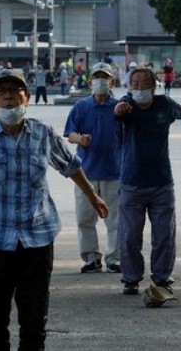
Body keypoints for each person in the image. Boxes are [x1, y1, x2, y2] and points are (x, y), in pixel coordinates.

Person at [0, 68, 108, 351]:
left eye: (15, 93)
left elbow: (70, 165)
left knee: (34, 326)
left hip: (37, 240)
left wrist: (92, 196)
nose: (9, 99)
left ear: (26, 97)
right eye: (2, 94)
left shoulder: (42, 133)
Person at [114, 68, 181, 298]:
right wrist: (119, 109)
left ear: (154, 86)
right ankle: (131, 278)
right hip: (132, 183)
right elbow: (117, 111)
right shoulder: (126, 104)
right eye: (135, 84)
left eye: (144, 83)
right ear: (130, 87)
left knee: (164, 236)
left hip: (161, 183)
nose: (139, 88)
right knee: (129, 236)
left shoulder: (165, 105)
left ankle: (162, 277)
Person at [64, 62, 121, 274]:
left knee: (115, 218)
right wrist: (80, 138)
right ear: (89, 82)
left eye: (105, 77)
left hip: (114, 170)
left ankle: (114, 257)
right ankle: (90, 256)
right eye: (97, 77)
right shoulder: (80, 107)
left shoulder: (120, 108)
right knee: (84, 217)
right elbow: (69, 134)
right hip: (85, 172)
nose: (100, 81)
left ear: (112, 81)